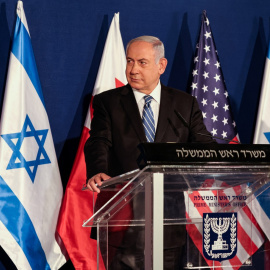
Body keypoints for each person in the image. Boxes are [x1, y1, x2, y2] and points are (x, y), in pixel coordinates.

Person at [84, 35, 215, 269]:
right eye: (129, 61)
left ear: (161, 65)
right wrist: (98, 170)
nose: (133, 69)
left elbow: (205, 145)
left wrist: (212, 166)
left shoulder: (184, 105)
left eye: (142, 62)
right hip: (122, 220)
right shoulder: (108, 102)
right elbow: (99, 141)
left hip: (168, 221)